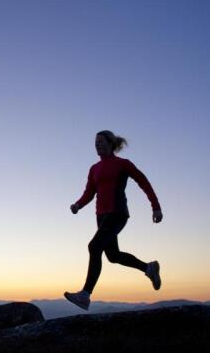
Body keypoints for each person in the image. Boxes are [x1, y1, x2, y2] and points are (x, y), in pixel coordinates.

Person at [64, 130, 163, 311]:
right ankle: (149, 268)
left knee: (94, 246)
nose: (97, 145)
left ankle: (85, 295)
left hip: (117, 212)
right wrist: (78, 205)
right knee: (113, 255)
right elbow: (89, 192)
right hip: (101, 216)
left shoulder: (122, 164)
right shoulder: (94, 169)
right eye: (95, 143)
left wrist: (155, 206)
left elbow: (143, 181)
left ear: (111, 144)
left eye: (101, 142)